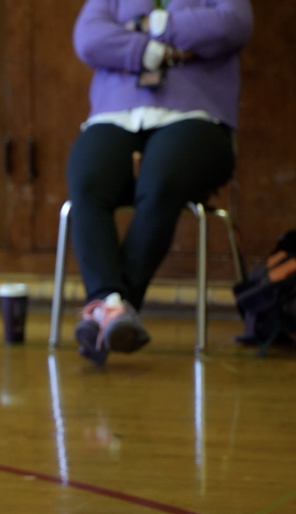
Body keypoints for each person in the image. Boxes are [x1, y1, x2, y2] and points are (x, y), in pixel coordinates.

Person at [68, 0, 253, 364]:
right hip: (117, 114)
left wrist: (151, 23)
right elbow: (88, 39)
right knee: (87, 177)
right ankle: (113, 308)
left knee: (161, 178)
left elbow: (232, 24)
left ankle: (110, 309)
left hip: (198, 116)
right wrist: (154, 48)